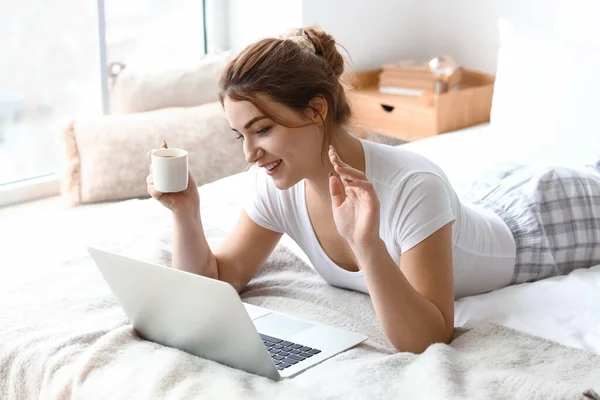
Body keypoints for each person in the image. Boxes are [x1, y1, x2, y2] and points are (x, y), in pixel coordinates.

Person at [146, 26, 600, 354]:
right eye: (239, 135)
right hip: (484, 198)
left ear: (316, 110)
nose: (249, 153)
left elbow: (426, 338)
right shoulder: (275, 186)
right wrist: (186, 213)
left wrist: (366, 244)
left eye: (261, 129)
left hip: (542, 223)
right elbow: (217, 282)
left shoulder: (411, 186)